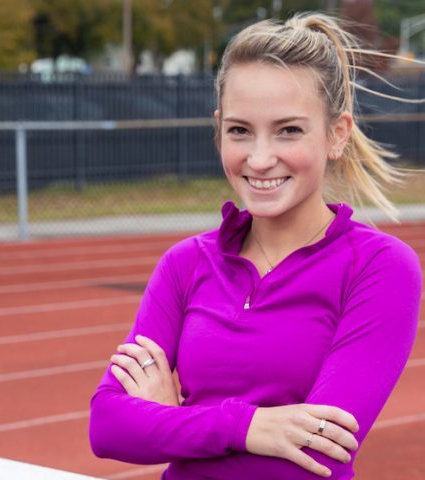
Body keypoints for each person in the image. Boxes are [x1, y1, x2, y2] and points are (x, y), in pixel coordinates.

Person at [89, 12, 422, 480]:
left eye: (289, 130)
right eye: (240, 130)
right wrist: (248, 427)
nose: (260, 159)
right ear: (218, 128)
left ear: (337, 134)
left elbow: (318, 456)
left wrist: (172, 422)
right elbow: (109, 428)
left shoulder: (380, 267)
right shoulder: (184, 264)